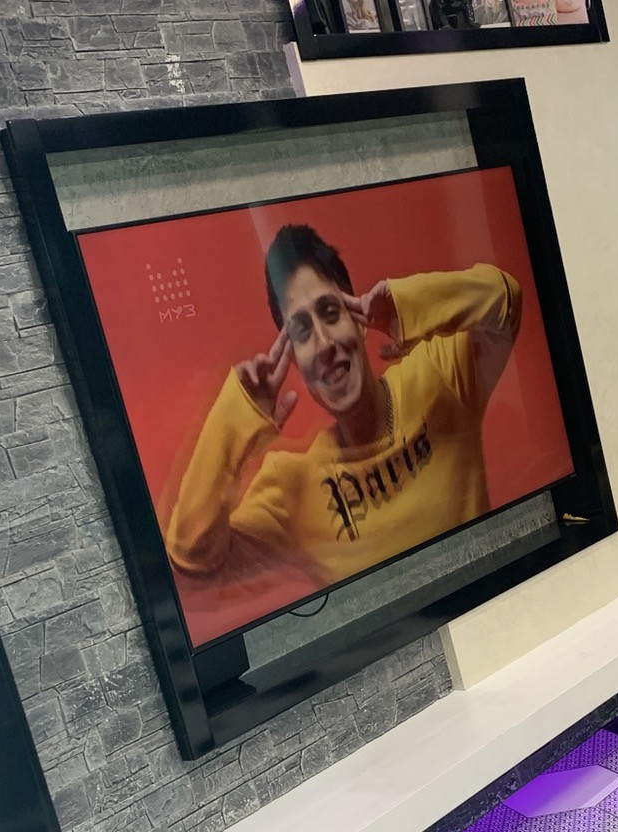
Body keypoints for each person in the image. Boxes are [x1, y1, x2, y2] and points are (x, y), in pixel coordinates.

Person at [165, 223, 521, 588]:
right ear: (295, 360)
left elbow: (505, 298)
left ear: (360, 321)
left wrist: (408, 304)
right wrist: (235, 418)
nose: (324, 344)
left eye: (331, 312)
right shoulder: (291, 490)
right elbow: (191, 553)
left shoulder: (440, 376)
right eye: (302, 330)